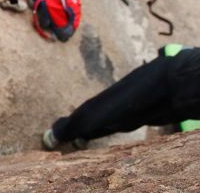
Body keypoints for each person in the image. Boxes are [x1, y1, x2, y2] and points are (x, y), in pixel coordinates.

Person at [42, 45, 200, 150]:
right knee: (110, 106)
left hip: (183, 108)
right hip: (176, 73)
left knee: (129, 122)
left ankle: (87, 134)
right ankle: (62, 131)